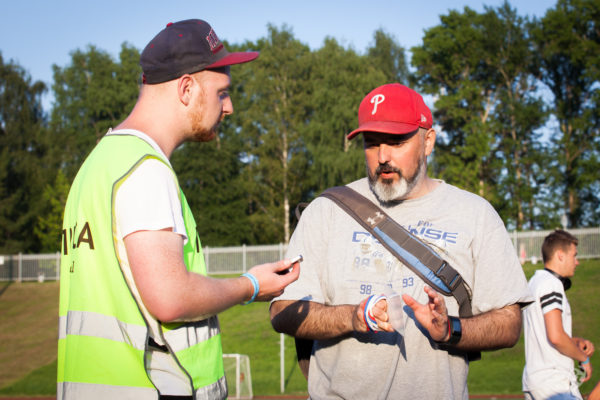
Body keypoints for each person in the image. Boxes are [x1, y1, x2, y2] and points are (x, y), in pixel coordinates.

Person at [58, 19, 300, 400]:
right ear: (186, 88)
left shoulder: (98, 165)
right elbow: (169, 298)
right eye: (222, 93)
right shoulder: (145, 169)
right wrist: (250, 286)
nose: (229, 107)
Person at [269, 83, 532, 399]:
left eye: (396, 142)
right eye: (371, 143)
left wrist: (450, 329)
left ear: (428, 141)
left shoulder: (475, 214)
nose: (382, 157)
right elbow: (282, 310)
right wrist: (352, 316)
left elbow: (509, 323)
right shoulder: (326, 211)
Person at [522, 229, 594, 400]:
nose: (576, 262)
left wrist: (575, 342)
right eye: (574, 255)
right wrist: (583, 359)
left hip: (537, 380)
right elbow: (555, 337)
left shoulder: (535, 282)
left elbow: (544, 335)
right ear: (560, 255)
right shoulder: (551, 284)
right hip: (553, 382)